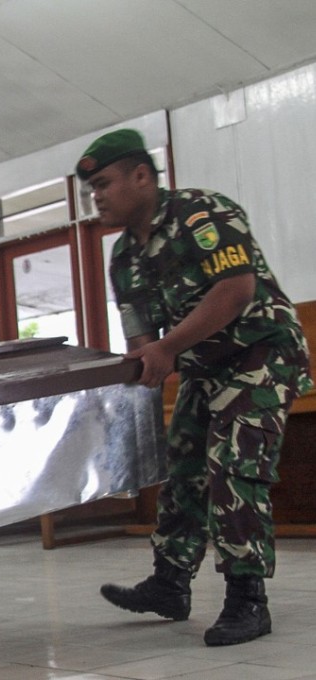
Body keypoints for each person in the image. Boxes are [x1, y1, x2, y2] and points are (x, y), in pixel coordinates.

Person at [76, 129, 312, 646]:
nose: (97, 195)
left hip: (262, 350)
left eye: (105, 183)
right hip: (205, 365)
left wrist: (165, 350)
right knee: (182, 465)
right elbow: (142, 338)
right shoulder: (122, 259)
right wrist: (142, 366)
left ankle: (247, 599)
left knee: (234, 466)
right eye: (91, 187)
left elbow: (235, 291)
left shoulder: (203, 214)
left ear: (143, 176)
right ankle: (170, 584)